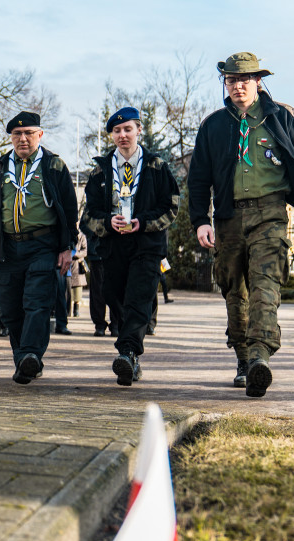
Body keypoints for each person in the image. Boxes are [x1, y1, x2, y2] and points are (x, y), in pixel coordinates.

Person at [190, 52, 294, 397]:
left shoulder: (282, 117)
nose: (238, 85)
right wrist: (200, 220)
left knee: (265, 284)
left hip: (270, 213)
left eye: (245, 79)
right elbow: (198, 178)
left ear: (259, 82)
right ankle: (244, 358)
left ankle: (260, 357)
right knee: (234, 291)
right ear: (225, 83)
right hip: (227, 217)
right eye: (231, 80)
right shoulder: (213, 124)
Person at [0, 112, 77, 384]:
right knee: (9, 308)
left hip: (43, 245)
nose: (23, 139)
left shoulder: (54, 165)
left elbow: (69, 208)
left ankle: (31, 354)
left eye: (29, 133)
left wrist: (68, 247)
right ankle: (23, 358)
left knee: (37, 302)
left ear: (40, 135)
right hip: (7, 247)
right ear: (11, 138)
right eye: (17, 134)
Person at [84, 107, 180, 386]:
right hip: (112, 247)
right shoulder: (100, 171)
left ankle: (126, 352)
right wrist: (107, 222)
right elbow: (87, 216)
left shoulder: (157, 167)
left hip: (146, 246)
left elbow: (171, 207)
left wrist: (144, 222)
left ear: (139, 130)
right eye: (117, 130)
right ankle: (131, 355)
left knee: (139, 298)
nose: (123, 135)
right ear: (112, 135)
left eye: (128, 129)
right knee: (115, 297)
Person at [68, 230, 87, 318]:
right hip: (68, 263)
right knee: (68, 289)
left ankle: (76, 310)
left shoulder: (82, 236)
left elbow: (85, 250)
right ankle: (68, 310)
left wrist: (76, 254)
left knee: (78, 289)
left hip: (78, 264)